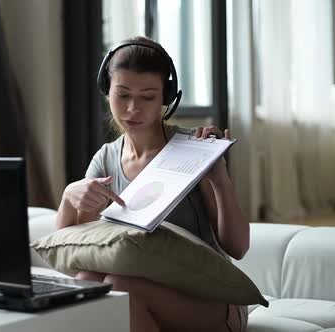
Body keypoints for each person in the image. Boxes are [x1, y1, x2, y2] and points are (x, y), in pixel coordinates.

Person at [55, 36, 249, 332]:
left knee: (121, 288)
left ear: (166, 98)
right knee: (86, 283)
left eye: (147, 97)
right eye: (123, 95)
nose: (133, 109)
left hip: (214, 301)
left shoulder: (192, 149)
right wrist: (70, 196)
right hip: (143, 292)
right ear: (107, 91)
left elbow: (237, 248)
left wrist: (219, 177)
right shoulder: (106, 159)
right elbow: (71, 256)